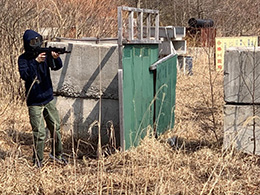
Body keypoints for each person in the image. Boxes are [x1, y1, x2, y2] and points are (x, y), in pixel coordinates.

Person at [18, 29, 67, 168]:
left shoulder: (44, 55)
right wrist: (36, 61)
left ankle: (57, 154)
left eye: (38, 40)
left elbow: (57, 67)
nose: (36, 44)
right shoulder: (23, 59)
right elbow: (26, 75)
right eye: (33, 42)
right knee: (39, 133)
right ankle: (38, 161)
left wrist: (55, 57)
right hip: (34, 101)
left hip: (48, 98)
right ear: (27, 44)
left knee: (56, 127)